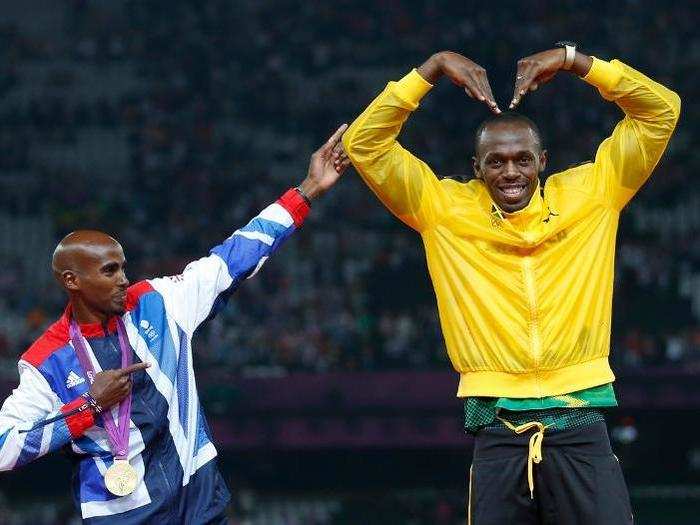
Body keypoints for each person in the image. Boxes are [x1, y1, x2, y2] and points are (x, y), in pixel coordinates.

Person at [340, 44, 680, 524]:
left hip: (580, 415)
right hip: (497, 424)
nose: (511, 172)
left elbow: (661, 110)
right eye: (496, 162)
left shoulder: (594, 193)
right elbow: (365, 143)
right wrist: (430, 70)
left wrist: (573, 60)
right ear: (477, 168)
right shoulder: (441, 209)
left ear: (542, 160)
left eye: (522, 159)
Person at [0, 124, 350, 523]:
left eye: (123, 268)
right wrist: (90, 406)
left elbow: (232, 258)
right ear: (71, 281)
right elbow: (3, 448)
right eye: (109, 271)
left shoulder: (158, 302)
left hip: (200, 498)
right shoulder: (47, 360)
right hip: (125, 514)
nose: (124, 279)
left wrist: (305, 192)